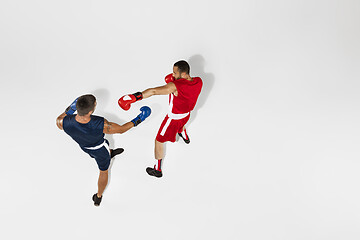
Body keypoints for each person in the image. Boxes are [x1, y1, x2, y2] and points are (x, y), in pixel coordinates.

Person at [56, 94, 151, 206]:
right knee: (103, 171)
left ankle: (110, 153)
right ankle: (99, 196)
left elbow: (59, 119)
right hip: (100, 150)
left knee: (100, 152)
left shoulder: (62, 122)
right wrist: (139, 119)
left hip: (84, 147)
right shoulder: (101, 124)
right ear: (91, 111)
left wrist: (70, 109)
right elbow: (121, 130)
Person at [118, 60, 202, 178]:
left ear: (183, 74)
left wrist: (134, 97)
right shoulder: (198, 81)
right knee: (182, 124)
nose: (172, 75)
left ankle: (157, 169)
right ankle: (183, 134)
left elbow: (153, 91)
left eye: (175, 73)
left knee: (159, 140)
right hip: (187, 115)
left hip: (173, 119)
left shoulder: (174, 86)